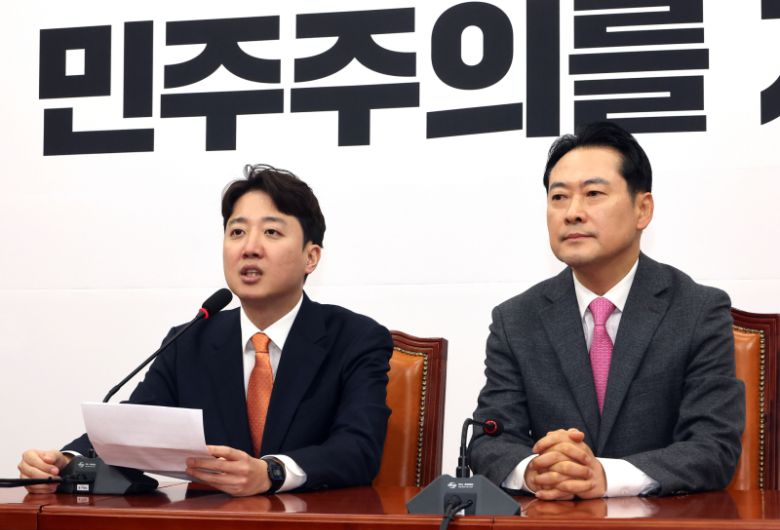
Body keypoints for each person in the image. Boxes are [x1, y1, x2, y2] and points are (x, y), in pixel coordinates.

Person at [18, 164, 393, 496]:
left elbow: (358, 448)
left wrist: (271, 472)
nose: (250, 248)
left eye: (272, 232)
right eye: (237, 232)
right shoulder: (190, 341)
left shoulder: (356, 339)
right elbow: (135, 429)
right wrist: (64, 461)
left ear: (310, 257)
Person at [470, 122, 745, 500]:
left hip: (659, 522)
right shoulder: (516, 320)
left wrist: (605, 476)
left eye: (593, 194)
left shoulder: (697, 310)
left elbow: (713, 446)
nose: (573, 213)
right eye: (559, 197)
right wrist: (535, 471)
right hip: (553, 522)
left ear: (642, 209)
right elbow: (491, 439)